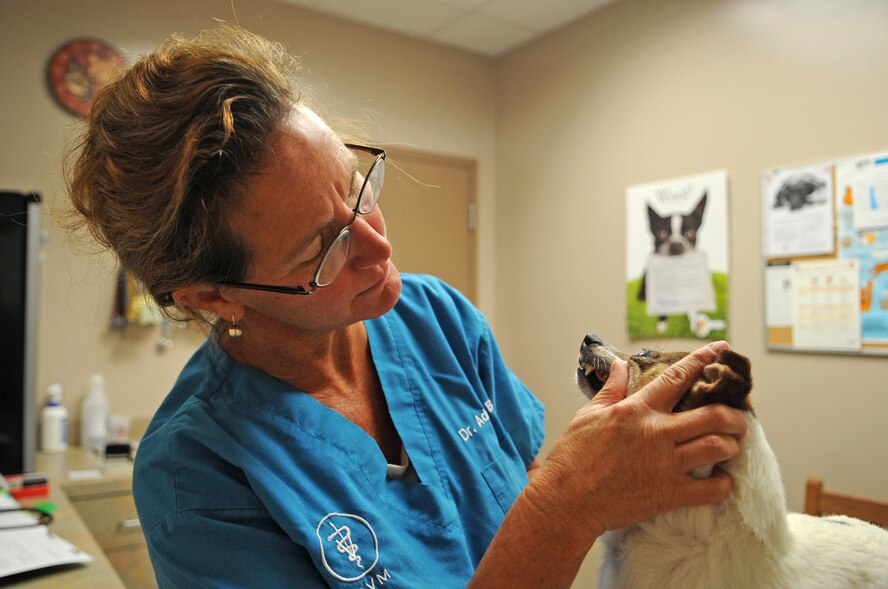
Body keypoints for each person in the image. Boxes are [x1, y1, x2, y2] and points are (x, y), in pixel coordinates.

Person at [65, 25, 747, 588]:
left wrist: (589, 477)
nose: (376, 243)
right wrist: (570, 504)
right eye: (320, 247)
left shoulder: (436, 318)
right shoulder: (197, 474)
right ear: (214, 295)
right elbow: (547, 506)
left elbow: (517, 485)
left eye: (356, 186)